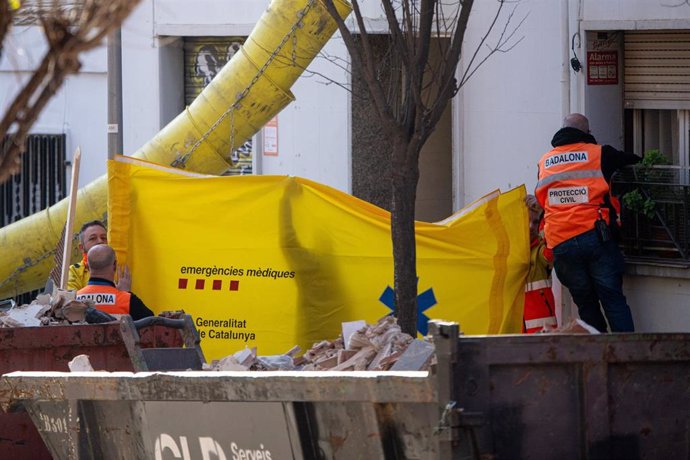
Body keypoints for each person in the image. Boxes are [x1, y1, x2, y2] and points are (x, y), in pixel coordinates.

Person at [535, 113, 640, 332]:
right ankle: (627, 356)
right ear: (587, 133)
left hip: (560, 241)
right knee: (613, 299)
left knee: (586, 304)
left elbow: (541, 199)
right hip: (594, 236)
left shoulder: (545, 161)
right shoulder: (600, 153)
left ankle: (596, 357)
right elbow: (633, 160)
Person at [76, 244, 153, 320]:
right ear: (115, 265)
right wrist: (126, 293)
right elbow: (153, 325)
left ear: (88, 266)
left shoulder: (74, 300)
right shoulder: (127, 300)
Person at [523, 195, 557, 333]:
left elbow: (552, 243)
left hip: (542, 329)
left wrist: (543, 211)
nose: (531, 227)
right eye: (527, 221)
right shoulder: (508, 253)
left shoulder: (541, 250)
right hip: (518, 329)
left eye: (536, 222)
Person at [67, 220, 130, 291]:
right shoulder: (73, 271)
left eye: (103, 238)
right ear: (82, 248)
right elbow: (71, 300)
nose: (100, 241)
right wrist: (120, 294)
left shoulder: (119, 268)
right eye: (92, 238)